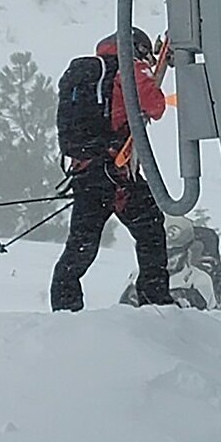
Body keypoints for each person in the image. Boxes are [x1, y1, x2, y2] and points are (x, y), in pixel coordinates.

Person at [51, 28, 174, 312]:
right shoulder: (129, 68)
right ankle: (155, 299)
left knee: (82, 242)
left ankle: (65, 305)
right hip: (115, 171)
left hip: (86, 171)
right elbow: (155, 106)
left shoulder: (91, 74)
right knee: (151, 229)